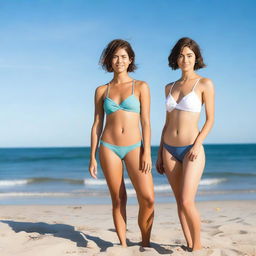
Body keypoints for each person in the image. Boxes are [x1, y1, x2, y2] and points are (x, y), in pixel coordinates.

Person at [89, 39, 154, 247]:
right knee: (118, 199)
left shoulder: (141, 86)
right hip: (108, 147)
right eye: (115, 56)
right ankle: (123, 245)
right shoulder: (101, 90)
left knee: (148, 198)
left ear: (130, 60)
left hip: (135, 146)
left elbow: (146, 122)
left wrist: (147, 153)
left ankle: (145, 243)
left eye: (123, 57)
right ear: (109, 60)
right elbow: (97, 124)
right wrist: (92, 157)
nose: (119, 61)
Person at [156, 37, 215, 251]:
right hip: (169, 150)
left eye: (189, 55)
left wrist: (198, 144)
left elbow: (210, 120)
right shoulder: (168, 87)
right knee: (179, 202)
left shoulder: (205, 83)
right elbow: (166, 123)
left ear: (196, 58)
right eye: (181, 55)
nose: (185, 59)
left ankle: (197, 248)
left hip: (192, 148)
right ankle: (189, 244)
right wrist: (159, 152)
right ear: (176, 58)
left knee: (187, 200)